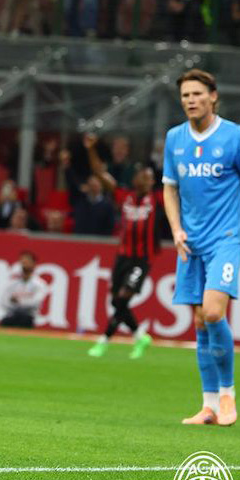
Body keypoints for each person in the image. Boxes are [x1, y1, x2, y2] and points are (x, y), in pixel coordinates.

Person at [161, 69, 240, 427]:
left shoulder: (236, 137)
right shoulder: (175, 138)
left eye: (197, 94)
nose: (190, 100)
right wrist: (176, 229)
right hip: (192, 242)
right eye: (185, 95)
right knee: (200, 321)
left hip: (226, 238)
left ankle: (228, 394)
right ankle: (209, 405)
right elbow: (169, 187)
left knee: (214, 312)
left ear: (213, 96)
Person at [84, 134, 158, 359]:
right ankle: (140, 336)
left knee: (123, 297)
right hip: (122, 257)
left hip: (141, 259)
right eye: (144, 176)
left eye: (150, 178)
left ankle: (104, 340)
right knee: (116, 300)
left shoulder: (158, 200)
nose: (147, 181)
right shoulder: (124, 196)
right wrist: (91, 149)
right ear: (135, 179)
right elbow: (99, 173)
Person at [0, 251, 43, 328]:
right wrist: (14, 304)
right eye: (22, 261)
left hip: (28, 317)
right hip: (12, 314)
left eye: (27, 261)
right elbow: (4, 302)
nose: (24, 264)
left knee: (25, 320)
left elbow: (34, 303)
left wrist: (18, 301)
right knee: (5, 321)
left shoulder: (39, 284)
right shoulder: (13, 283)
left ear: (33, 264)